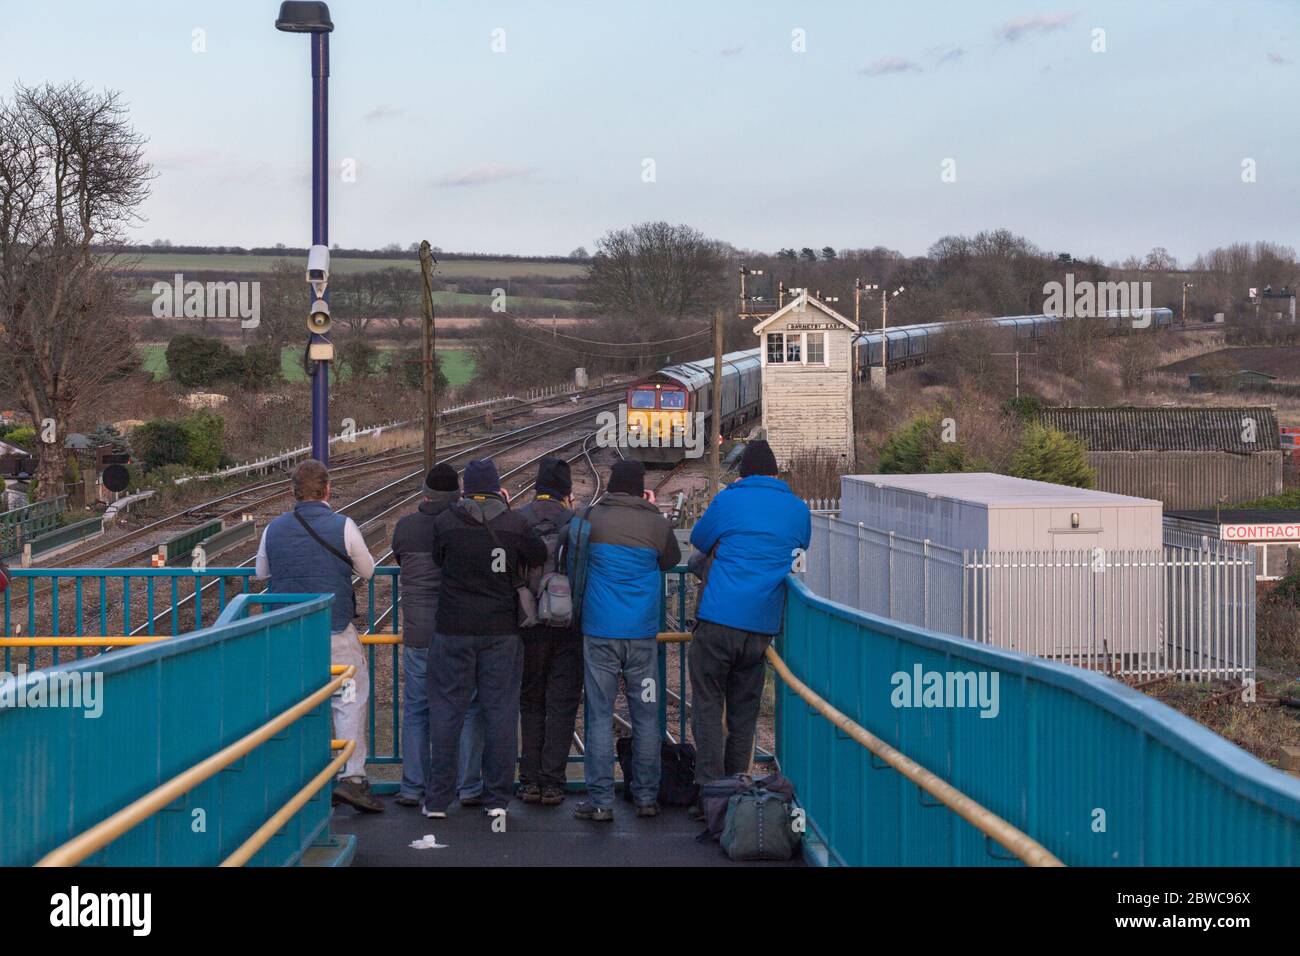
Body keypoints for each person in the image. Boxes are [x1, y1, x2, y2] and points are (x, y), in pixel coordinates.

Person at [256, 458, 382, 813]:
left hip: (288, 632)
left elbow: (261, 572)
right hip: (334, 629)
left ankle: (298, 779)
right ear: (328, 490)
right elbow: (368, 571)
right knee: (348, 699)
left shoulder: (273, 529)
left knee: (296, 703)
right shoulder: (343, 525)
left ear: (291, 492)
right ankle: (351, 778)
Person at [687, 439, 810, 800]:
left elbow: (698, 538)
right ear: (775, 472)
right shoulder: (798, 509)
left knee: (708, 707)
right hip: (760, 627)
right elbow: (798, 550)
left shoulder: (730, 499)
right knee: (744, 712)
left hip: (717, 620)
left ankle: (709, 793)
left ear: (742, 474)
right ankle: (736, 790)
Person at [424, 458, 546, 821]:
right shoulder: (514, 523)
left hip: (453, 630)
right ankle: (497, 799)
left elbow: (437, 558)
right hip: (501, 633)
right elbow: (538, 553)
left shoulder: (446, 522)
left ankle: (437, 800)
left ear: (465, 490)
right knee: (501, 715)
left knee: (447, 713)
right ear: (497, 489)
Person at [568, 460, 680, 822]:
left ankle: (601, 802)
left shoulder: (589, 519)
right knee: (646, 717)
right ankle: (646, 797)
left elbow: (574, 560)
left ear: (611, 487)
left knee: (599, 716)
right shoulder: (657, 525)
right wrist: (650, 509)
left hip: (599, 633)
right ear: (641, 489)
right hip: (642, 638)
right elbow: (670, 560)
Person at [391, 463, 483, 808]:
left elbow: (401, 559)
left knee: (417, 708)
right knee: (468, 706)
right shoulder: (466, 525)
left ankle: (414, 786)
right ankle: (468, 786)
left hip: (418, 632)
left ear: (425, 492)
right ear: (457, 495)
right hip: (458, 630)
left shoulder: (406, 527)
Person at [513, 457, 581, 806]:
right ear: (566, 491)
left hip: (528, 627)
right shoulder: (575, 522)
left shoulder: (519, 520)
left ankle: (529, 781)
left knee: (531, 701)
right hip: (567, 627)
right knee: (563, 702)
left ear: (538, 486)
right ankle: (554, 781)